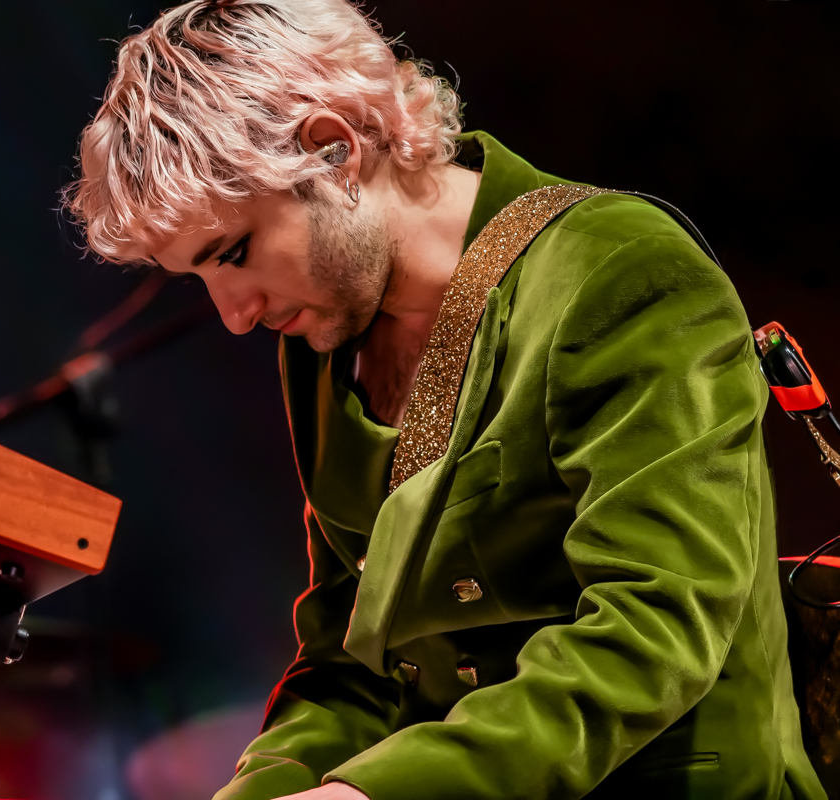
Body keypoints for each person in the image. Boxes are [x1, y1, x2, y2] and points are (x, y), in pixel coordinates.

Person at [63, 1, 828, 797]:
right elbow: (346, 664)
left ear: (332, 150)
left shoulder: (622, 269)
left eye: (232, 254)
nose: (234, 315)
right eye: (197, 278)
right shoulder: (326, 331)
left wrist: (369, 793)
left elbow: (654, 628)